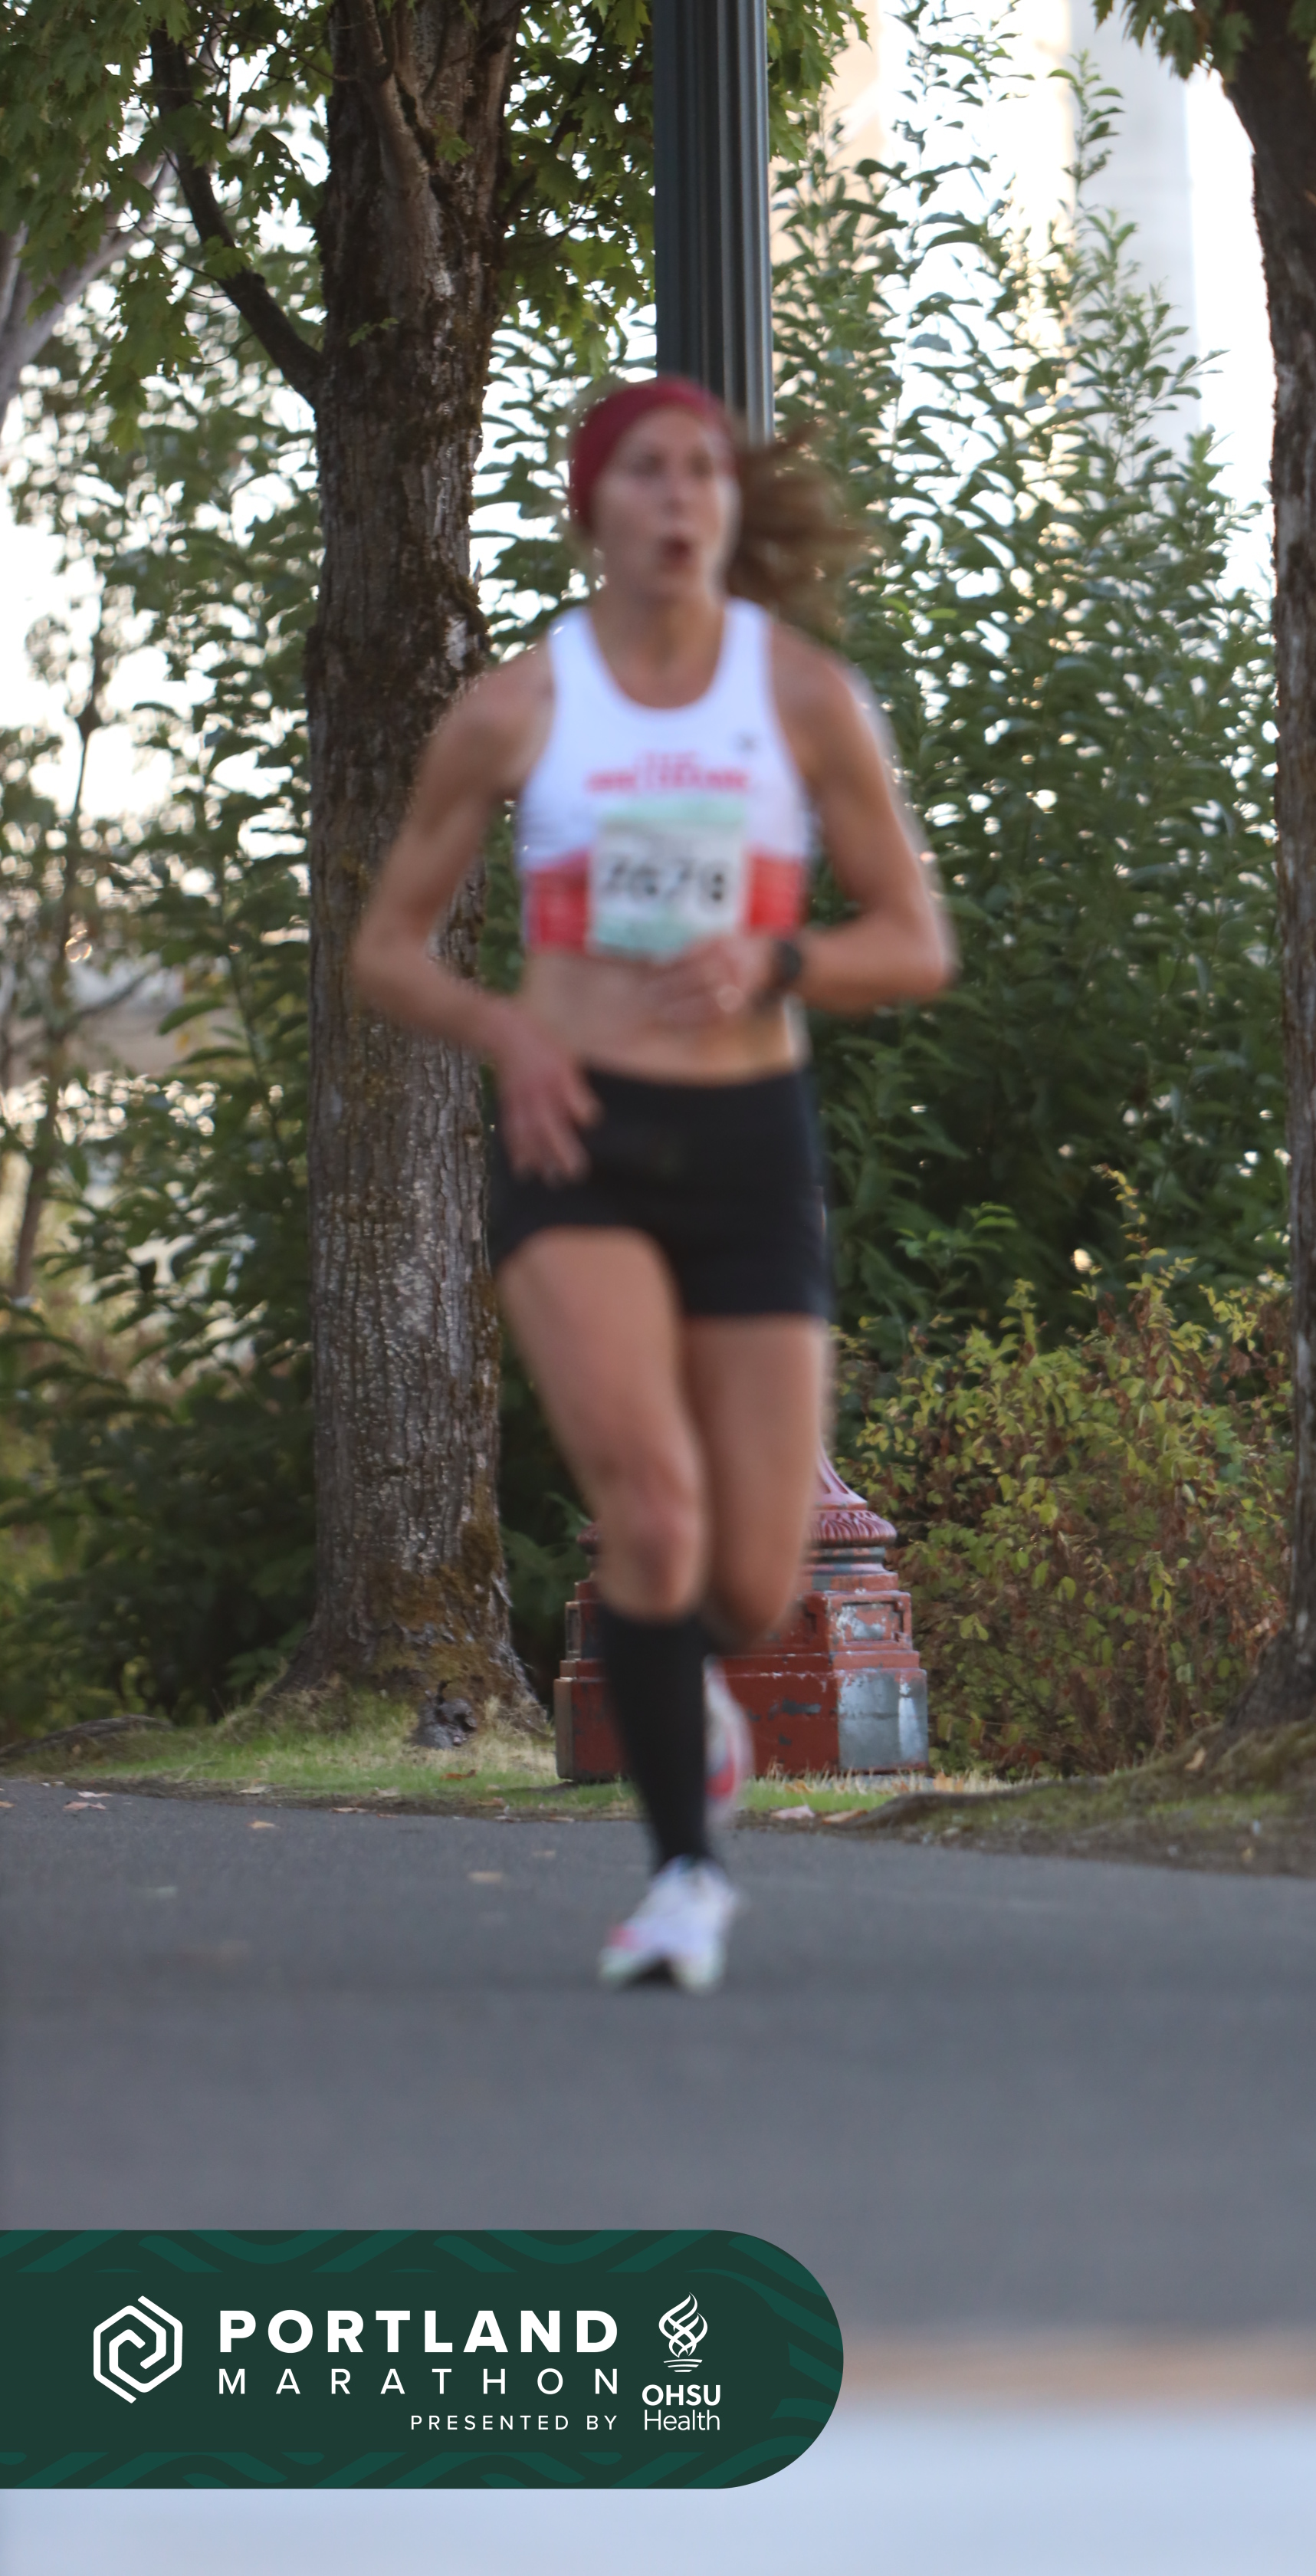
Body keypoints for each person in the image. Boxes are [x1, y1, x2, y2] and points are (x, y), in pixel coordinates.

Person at [351, 376, 953, 1993]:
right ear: (592, 509)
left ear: (729, 509)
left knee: (749, 1575)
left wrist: (779, 957)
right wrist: (506, 1033)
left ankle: (693, 1691)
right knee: (649, 1502)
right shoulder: (516, 709)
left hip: (748, 1145)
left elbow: (914, 940)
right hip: (580, 1141)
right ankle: (685, 1876)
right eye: (646, 472)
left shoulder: (803, 696)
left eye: (704, 470)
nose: (681, 497)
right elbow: (386, 948)